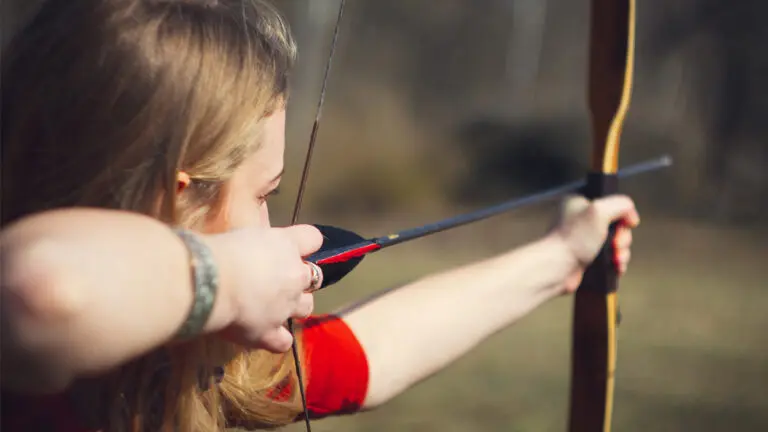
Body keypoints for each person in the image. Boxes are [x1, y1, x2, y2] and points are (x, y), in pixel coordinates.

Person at [0, 0, 640, 431]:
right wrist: (228, 279)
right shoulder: (33, 374)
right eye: (262, 193)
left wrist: (560, 256)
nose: (273, 225)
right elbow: (40, 293)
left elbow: (378, 350)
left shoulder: (198, 367)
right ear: (176, 196)